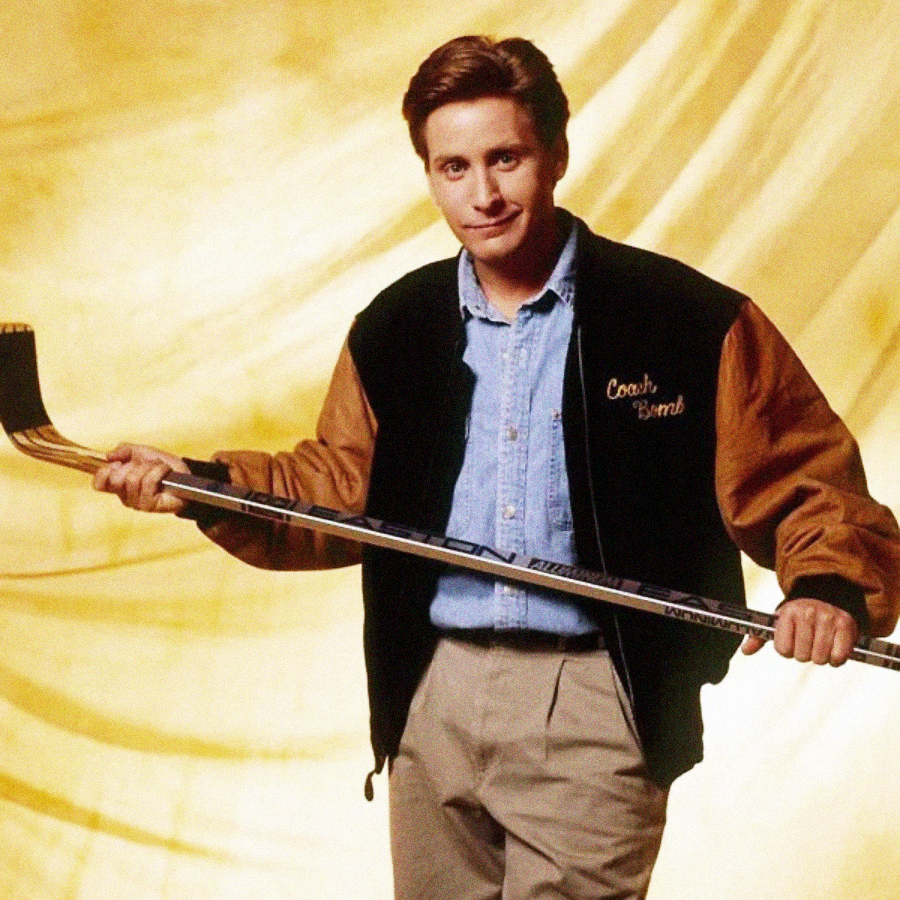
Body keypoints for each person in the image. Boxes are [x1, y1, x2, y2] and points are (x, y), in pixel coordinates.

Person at [93, 35, 900, 900]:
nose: (482, 195)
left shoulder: (688, 321)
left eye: (505, 158)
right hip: (430, 693)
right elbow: (336, 485)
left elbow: (809, 482)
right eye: (453, 167)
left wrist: (827, 587)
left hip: (596, 696)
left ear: (555, 153)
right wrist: (192, 483)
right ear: (429, 172)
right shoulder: (397, 326)